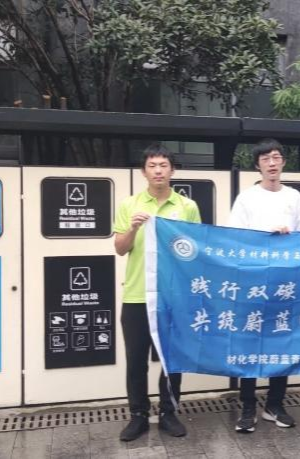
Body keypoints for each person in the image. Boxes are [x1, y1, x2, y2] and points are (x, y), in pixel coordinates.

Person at [113, 144, 201, 441]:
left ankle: (168, 413)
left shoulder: (187, 206)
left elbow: (195, 250)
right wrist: (133, 229)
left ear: (172, 170)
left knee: (170, 360)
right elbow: (120, 248)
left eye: (163, 165)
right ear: (143, 172)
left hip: (172, 296)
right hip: (137, 295)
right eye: (152, 166)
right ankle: (138, 415)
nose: (158, 171)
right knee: (136, 360)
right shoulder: (129, 205)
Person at [227, 138, 300, 433]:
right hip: (253, 282)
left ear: (283, 161)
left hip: (285, 283)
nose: (272, 163)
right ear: (257, 165)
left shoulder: (294, 197)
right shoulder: (246, 198)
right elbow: (234, 238)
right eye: (265, 159)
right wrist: (265, 234)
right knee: (249, 343)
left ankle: (275, 404)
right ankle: (248, 406)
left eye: (276, 157)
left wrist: (289, 238)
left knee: (281, 341)